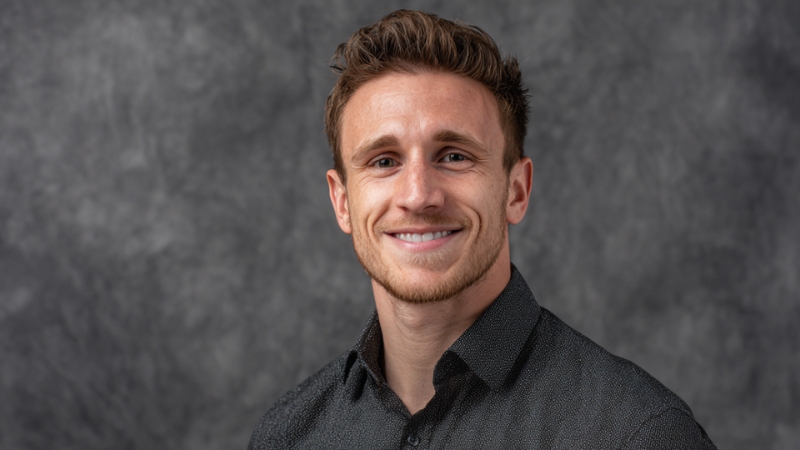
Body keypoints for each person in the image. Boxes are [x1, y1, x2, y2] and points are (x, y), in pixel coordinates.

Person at [248, 10, 716, 449]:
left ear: (516, 190)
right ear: (342, 201)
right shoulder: (289, 435)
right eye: (384, 161)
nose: (418, 194)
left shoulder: (635, 434)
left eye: (454, 155)